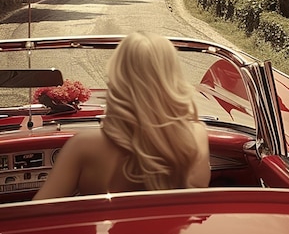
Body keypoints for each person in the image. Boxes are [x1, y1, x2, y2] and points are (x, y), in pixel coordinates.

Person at [34, 32, 210, 199]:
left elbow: (37, 215)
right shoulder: (196, 135)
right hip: (180, 232)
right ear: (172, 77)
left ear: (117, 78)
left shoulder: (83, 146)